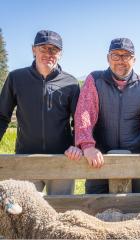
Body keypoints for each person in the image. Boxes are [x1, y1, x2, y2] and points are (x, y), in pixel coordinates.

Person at [74, 37, 140, 194]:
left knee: (136, 208)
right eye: (116, 55)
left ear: (134, 60)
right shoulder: (95, 80)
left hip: (136, 159)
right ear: (108, 58)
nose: (121, 60)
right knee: (95, 207)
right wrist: (88, 146)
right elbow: (85, 113)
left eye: (126, 56)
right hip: (99, 157)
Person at [0, 30, 82, 195]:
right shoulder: (16, 78)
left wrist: (75, 145)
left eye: (53, 49)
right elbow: (2, 116)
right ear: (33, 50)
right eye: (43, 48)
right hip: (25, 160)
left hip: (62, 161)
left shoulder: (71, 83)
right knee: (23, 215)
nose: (48, 54)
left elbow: (79, 121)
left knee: (60, 213)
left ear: (60, 53)